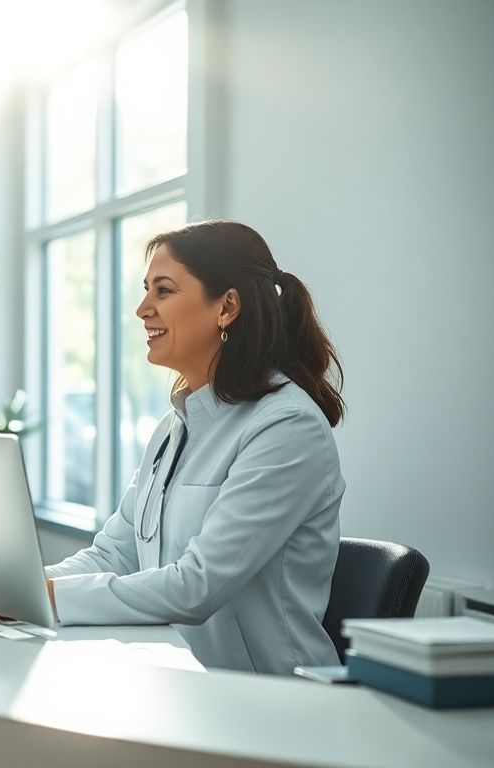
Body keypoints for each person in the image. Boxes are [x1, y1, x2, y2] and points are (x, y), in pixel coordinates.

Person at [44, 220, 345, 675]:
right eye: (146, 291)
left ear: (226, 307)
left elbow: (196, 586)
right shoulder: (173, 428)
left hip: (269, 703)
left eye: (163, 291)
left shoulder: (286, 427)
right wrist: (26, 587)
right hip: (178, 684)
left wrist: (48, 598)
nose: (143, 309)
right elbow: (115, 553)